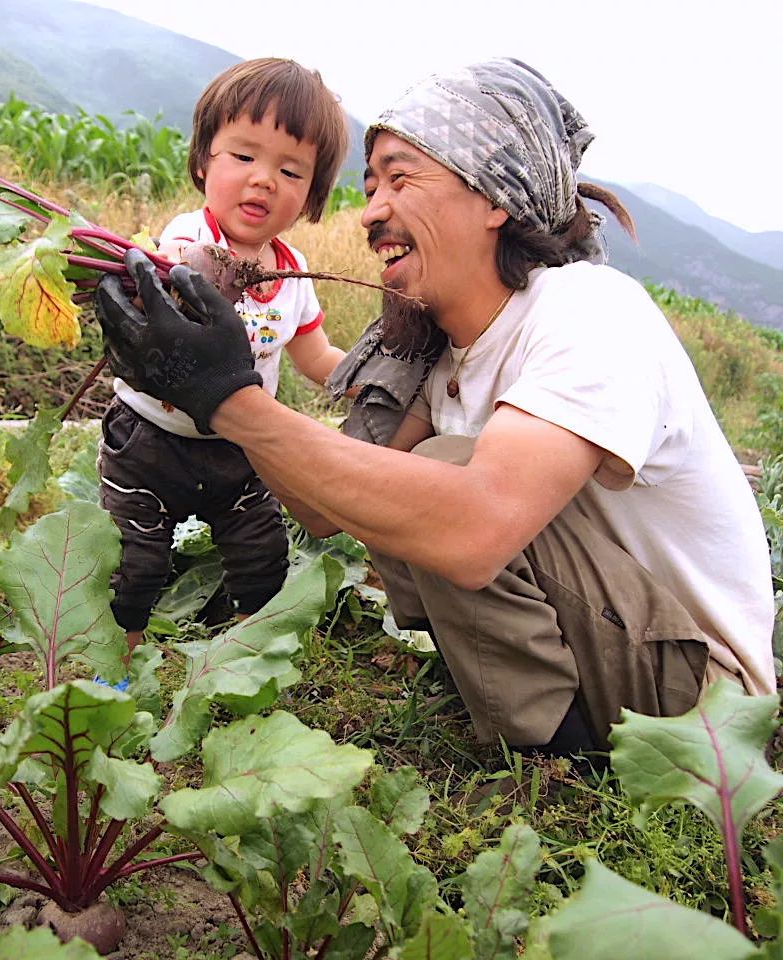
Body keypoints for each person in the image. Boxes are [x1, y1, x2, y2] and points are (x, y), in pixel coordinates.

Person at [95, 58, 774, 753]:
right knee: (397, 478)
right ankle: (536, 711)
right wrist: (231, 374)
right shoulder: (433, 349)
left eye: (400, 177)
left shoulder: (588, 309)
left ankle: (557, 759)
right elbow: (323, 508)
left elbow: (472, 530)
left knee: (444, 473)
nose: (374, 211)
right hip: (617, 651)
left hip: (700, 702)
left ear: (494, 196)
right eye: (369, 187)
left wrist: (229, 401)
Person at [98, 58, 350, 654]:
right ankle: (116, 662)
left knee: (262, 556)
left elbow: (316, 358)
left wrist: (370, 380)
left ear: (311, 194)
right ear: (204, 160)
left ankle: (245, 658)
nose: (263, 180)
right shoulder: (186, 242)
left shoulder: (293, 275)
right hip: (149, 442)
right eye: (244, 157)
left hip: (240, 448)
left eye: (290, 170)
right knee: (132, 564)